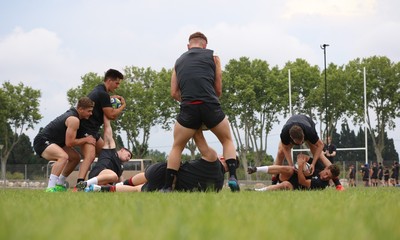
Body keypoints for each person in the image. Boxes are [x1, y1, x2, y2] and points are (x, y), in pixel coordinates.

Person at [162, 32, 239, 192]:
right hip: (210, 105)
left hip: (189, 107)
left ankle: (168, 186)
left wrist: (190, 102)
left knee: (177, 147)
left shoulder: (178, 62)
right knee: (227, 140)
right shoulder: (213, 58)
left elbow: (174, 93)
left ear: (188, 46)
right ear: (205, 45)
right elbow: (218, 90)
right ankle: (232, 177)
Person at [33, 97, 96, 192]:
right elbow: (69, 143)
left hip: (56, 142)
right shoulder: (74, 120)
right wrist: (86, 139)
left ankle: (59, 184)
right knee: (63, 157)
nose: (91, 114)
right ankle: (50, 188)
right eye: (89, 111)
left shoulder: (76, 116)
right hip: (42, 141)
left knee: (75, 158)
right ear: (80, 109)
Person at [76, 69, 126, 186]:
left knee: (106, 153)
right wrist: (123, 105)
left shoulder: (100, 91)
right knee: (90, 156)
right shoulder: (103, 94)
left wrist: (109, 99)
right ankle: (80, 184)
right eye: (117, 83)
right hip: (85, 130)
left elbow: (100, 102)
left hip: (92, 130)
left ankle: (105, 180)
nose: (118, 86)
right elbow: (111, 115)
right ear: (109, 80)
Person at [75, 116, 132, 191]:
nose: (128, 158)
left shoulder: (121, 168)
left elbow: (120, 182)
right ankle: (84, 184)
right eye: (128, 155)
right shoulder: (110, 149)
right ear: (122, 150)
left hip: (104, 183)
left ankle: (90, 188)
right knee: (114, 176)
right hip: (98, 173)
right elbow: (107, 128)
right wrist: (107, 113)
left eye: (129, 158)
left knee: (112, 185)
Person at [247, 153, 340, 191]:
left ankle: (257, 191)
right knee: (288, 169)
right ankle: (256, 169)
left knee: (286, 185)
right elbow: (301, 156)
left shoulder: (322, 184)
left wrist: (300, 168)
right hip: (289, 175)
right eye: (326, 174)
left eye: (328, 178)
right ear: (326, 168)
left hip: (296, 186)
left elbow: (302, 182)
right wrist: (303, 164)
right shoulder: (318, 165)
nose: (325, 177)